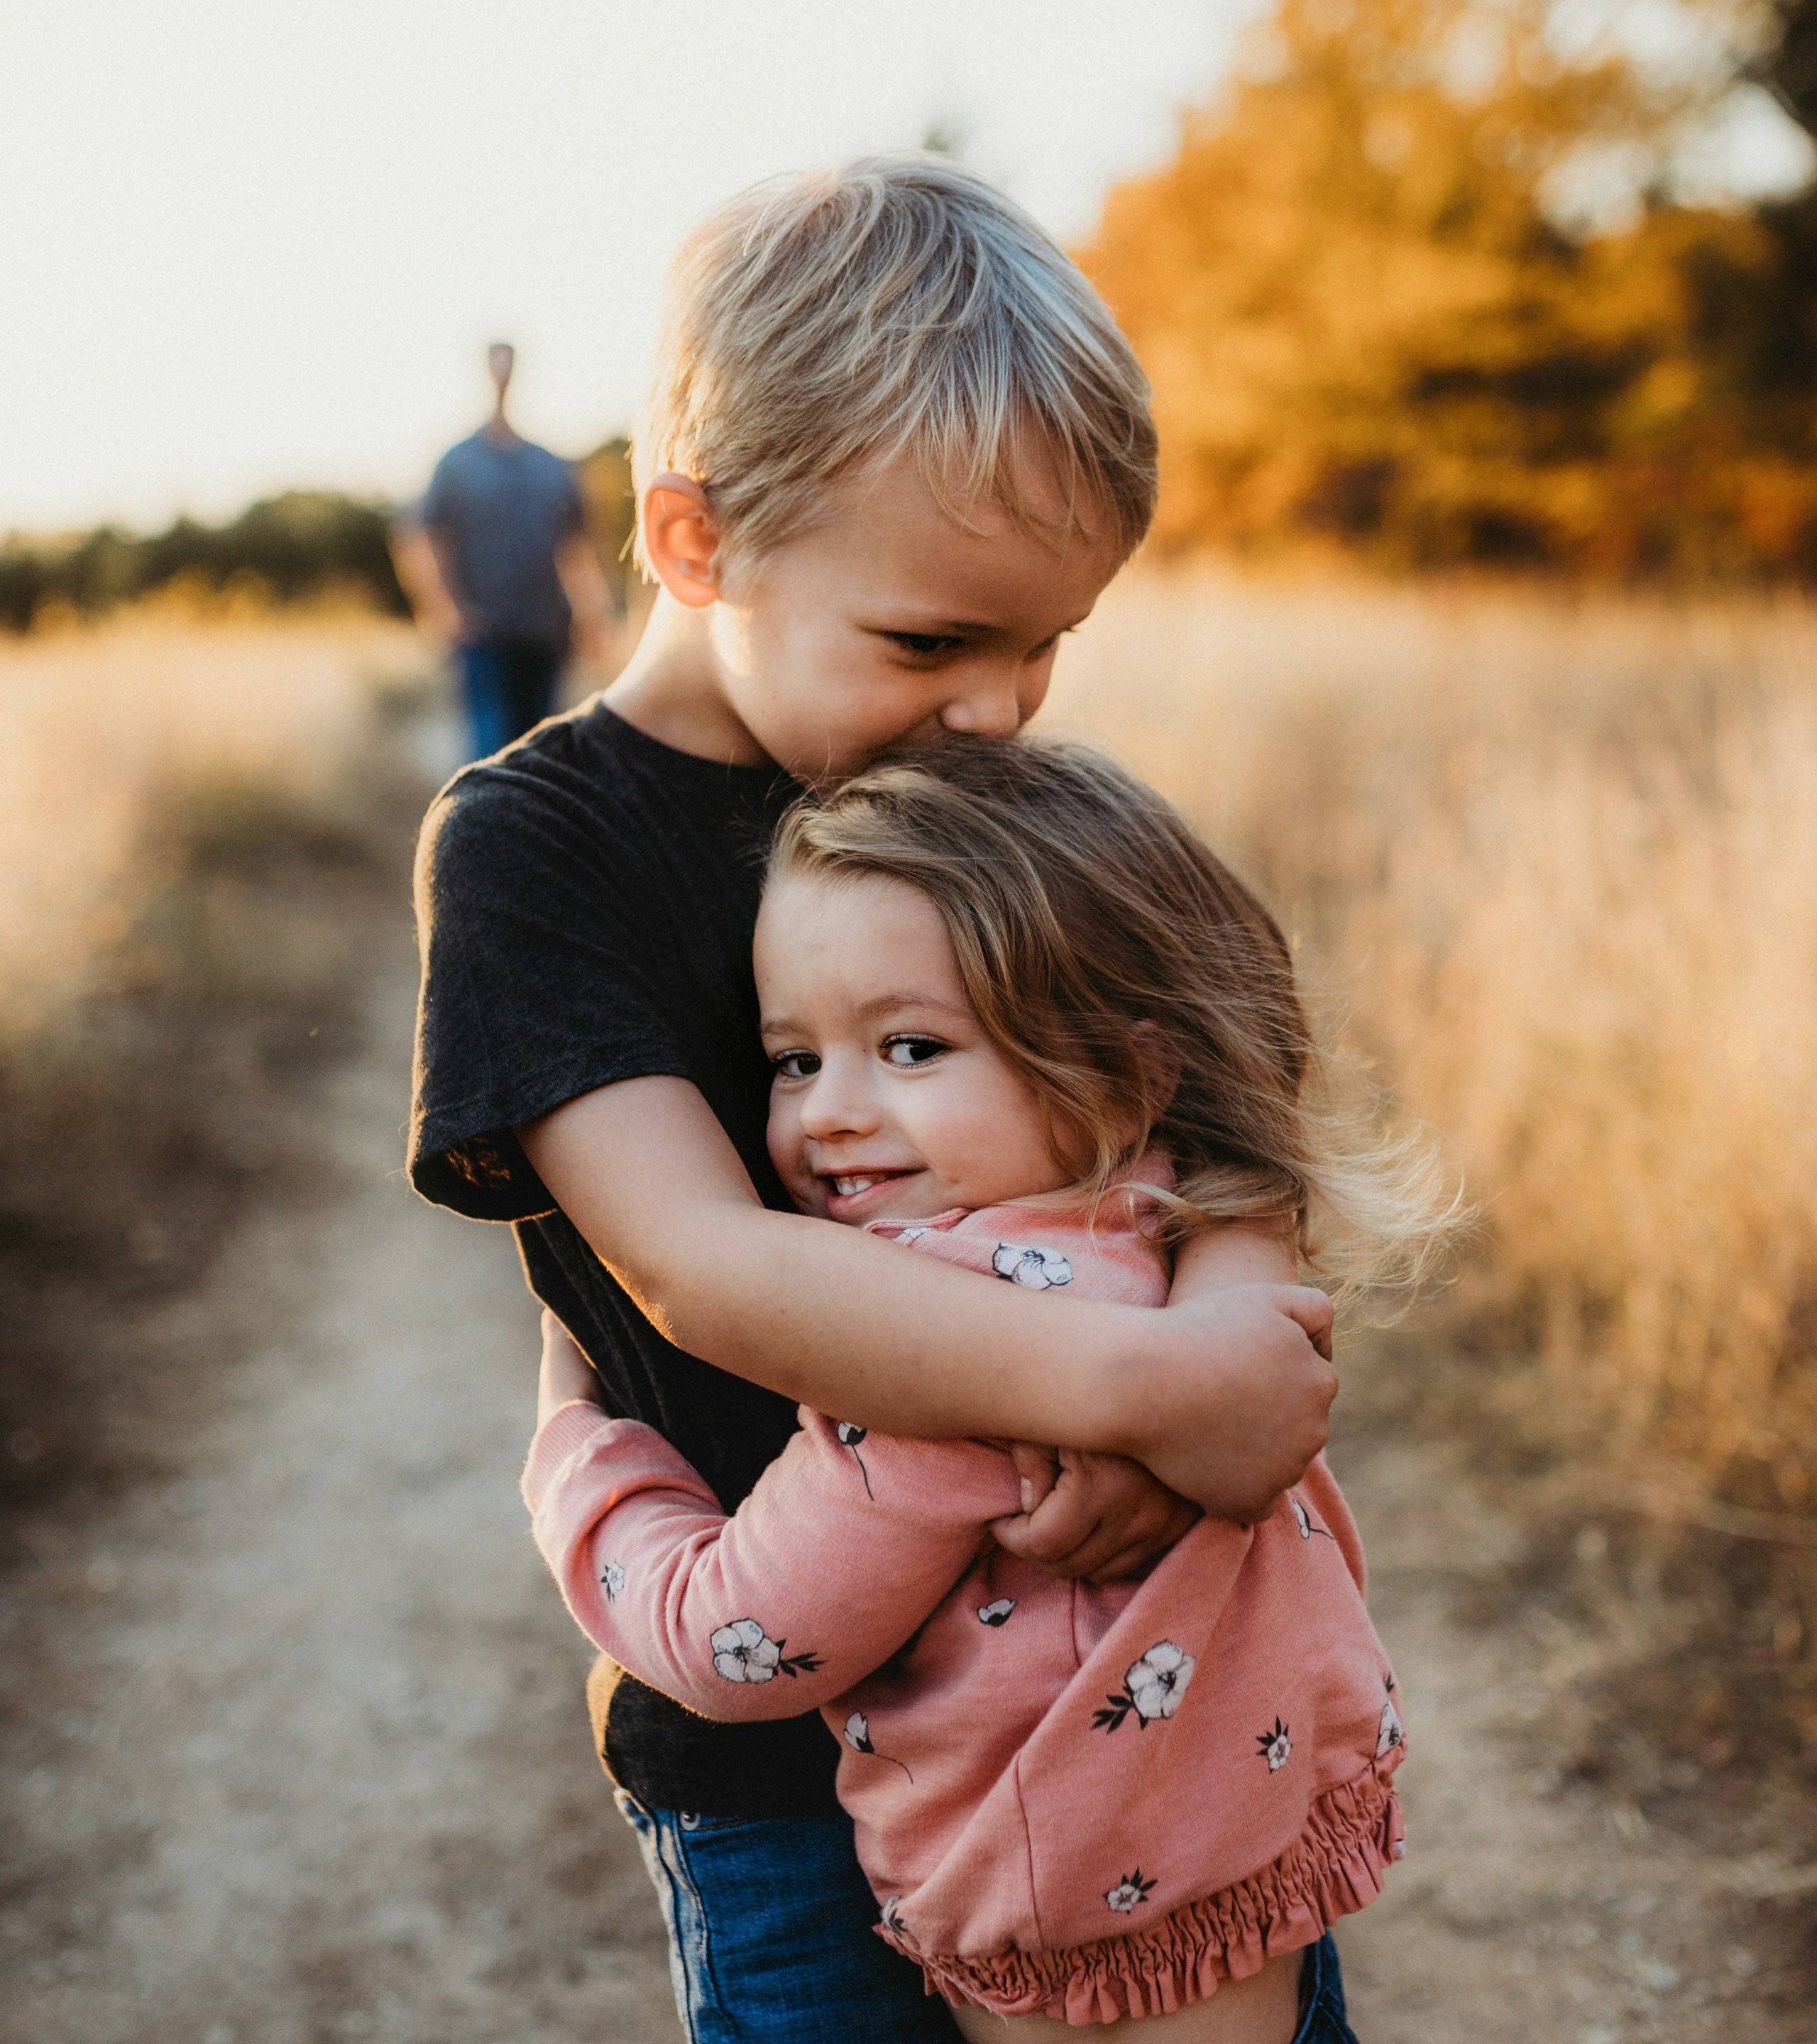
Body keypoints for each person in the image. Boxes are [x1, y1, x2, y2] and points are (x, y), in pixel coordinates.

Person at [409, 158, 1340, 2041]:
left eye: (1047, 642)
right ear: (694, 543)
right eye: (933, 643)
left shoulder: (992, 798)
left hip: (1131, 1691)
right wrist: (1137, 1388)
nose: (1002, 707)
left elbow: (1222, 1087)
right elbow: (702, 1266)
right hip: (781, 1757)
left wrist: (1238, 1323)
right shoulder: (540, 848)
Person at [522, 739, 1449, 2043]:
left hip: (1086, 1990)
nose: (830, 1114)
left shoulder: (934, 1369)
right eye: (794, 1061)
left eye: (909, 1047)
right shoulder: (1162, 1237)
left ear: (1126, 1073)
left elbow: (730, 1641)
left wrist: (578, 1453)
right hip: (1257, 1916)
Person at [392, 341, 614, 759]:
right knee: (491, 754)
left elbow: (578, 548)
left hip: (545, 632)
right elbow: (420, 536)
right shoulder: (457, 464)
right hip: (483, 636)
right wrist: (443, 609)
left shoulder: (550, 466)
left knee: (538, 753)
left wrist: (593, 616)